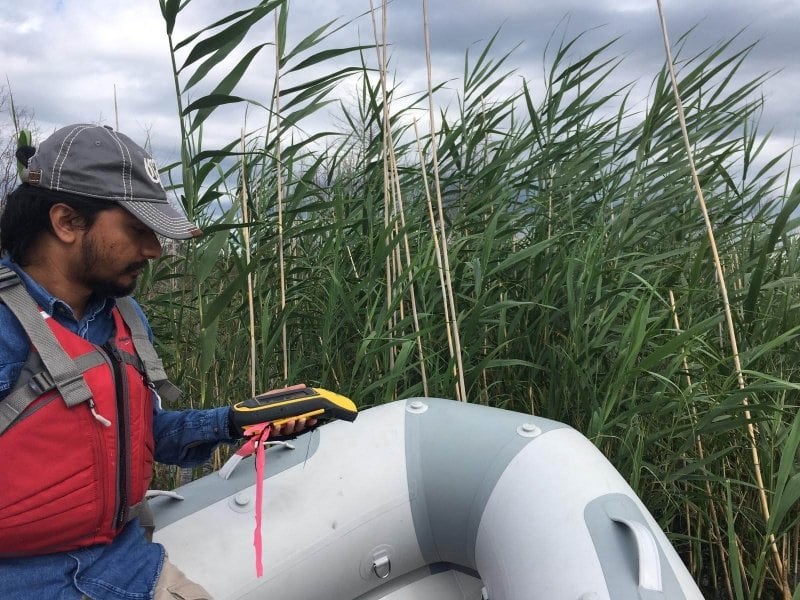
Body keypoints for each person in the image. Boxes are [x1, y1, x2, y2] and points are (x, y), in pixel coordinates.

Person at [0, 124, 310, 600]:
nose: (153, 249)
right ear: (66, 222)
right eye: (138, 229)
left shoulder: (123, 313)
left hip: (128, 572)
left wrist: (235, 420)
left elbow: (141, 436)